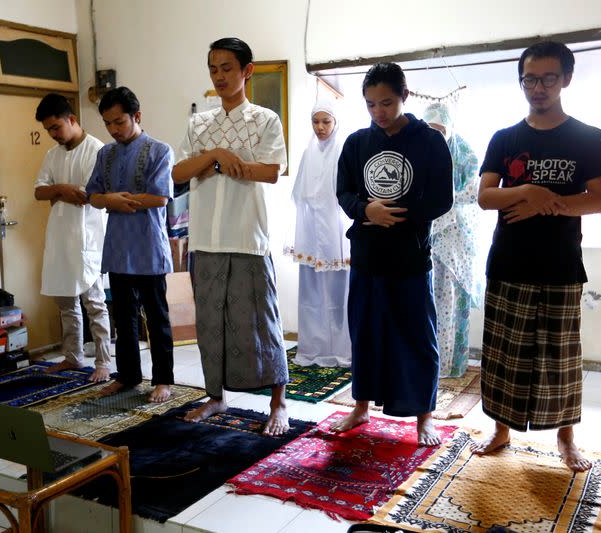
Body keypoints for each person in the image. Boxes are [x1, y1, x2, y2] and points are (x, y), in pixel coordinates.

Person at [470, 41, 601, 471]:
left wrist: (546, 203)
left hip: (560, 265)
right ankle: (500, 430)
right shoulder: (505, 138)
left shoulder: (588, 137)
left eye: (548, 77)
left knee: (560, 358)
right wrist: (529, 193)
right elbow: (485, 197)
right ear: (521, 82)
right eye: (530, 79)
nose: (538, 87)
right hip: (509, 263)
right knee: (503, 354)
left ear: (566, 79)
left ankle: (566, 438)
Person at [172, 37, 290, 436]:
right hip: (204, 238)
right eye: (213, 69)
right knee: (210, 323)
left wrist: (214, 165)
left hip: (247, 236)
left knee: (261, 320)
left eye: (227, 68)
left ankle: (279, 402)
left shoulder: (265, 120)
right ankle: (215, 396)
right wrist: (216, 157)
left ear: (247, 71)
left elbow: (270, 171)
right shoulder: (199, 123)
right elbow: (178, 173)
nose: (219, 76)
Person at [333, 62, 453, 445]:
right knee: (365, 333)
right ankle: (361, 406)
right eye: (370, 105)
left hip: (410, 257)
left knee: (417, 336)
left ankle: (424, 416)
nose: (379, 112)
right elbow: (345, 192)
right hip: (367, 255)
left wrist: (397, 214)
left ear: (404, 96)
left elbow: (441, 198)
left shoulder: (430, 141)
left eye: (386, 102)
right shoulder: (356, 143)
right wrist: (368, 210)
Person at [85, 86, 175, 403]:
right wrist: (109, 200)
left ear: (136, 116)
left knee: (157, 317)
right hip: (118, 248)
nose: (113, 130)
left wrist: (122, 201)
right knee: (123, 319)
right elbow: (92, 195)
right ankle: (128, 376)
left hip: (148, 247)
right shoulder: (104, 154)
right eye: (108, 124)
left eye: (119, 122)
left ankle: (163, 380)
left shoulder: (159, 151)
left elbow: (161, 197)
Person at [33, 93, 112, 382]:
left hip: (87, 237)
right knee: (66, 302)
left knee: (94, 302)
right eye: (48, 130)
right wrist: (62, 189)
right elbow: (39, 191)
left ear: (72, 119)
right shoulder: (52, 155)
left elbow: (87, 196)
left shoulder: (97, 150)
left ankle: (103, 362)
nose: (53, 135)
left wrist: (60, 192)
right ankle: (73, 356)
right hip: (59, 237)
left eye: (56, 128)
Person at [285, 100, 351, 367]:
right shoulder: (308, 153)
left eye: (326, 122)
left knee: (339, 292)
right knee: (312, 292)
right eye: (316, 122)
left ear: (335, 122)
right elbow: (299, 196)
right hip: (313, 233)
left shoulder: (344, 151)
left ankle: (342, 351)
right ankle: (314, 349)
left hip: (337, 233)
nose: (320, 127)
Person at [422, 102, 481, 378]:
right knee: (428, 298)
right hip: (426, 232)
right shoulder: (421, 151)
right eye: (430, 129)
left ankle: (449, 364)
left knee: (452, 300)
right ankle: (428, 362)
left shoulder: (465, 152)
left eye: (440, 129)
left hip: (456, 235)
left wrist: (446, 200)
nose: (435, 135)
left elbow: (473, 193)